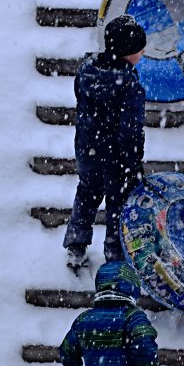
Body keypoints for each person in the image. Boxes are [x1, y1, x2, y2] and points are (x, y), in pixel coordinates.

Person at [62, 15, 147, 270]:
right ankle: (115, 254)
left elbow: (81, 102)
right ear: (127, 52)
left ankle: (76, 244)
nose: (143, 52)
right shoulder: (129, 85)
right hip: (116, 157)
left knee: (87, 193)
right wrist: (133, 161)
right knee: (117, 203)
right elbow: (130, 130)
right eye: (139, 48)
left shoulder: (86, 71)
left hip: (87, 149)